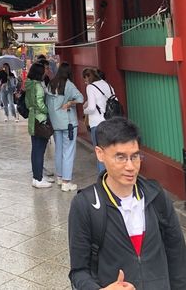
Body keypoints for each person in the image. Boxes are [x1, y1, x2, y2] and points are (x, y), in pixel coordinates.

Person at [69, 117, 186, 290]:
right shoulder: (85, 205)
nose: (131, 166)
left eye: (135, 156)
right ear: (100, 153)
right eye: (120, 157)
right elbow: (78, 272)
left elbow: (177, 255)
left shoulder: (155, 196)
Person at [46, 62, 83, 191]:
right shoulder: (69, 85)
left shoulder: (50, 84)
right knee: (68, 151)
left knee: (59, 150)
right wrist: (70, 103)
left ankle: (60, 177)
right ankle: (67, 182)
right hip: (68, 123)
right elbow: (81, 98)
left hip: (56, 123)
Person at [25, 62, 53, 188]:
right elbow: (40, 103)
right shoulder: (38, 86)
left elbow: (27, 103)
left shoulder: (29, 85)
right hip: (40, 119)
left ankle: (37, 175)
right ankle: (38, 178)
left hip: (32, 119)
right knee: (39, 150)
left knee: (35, 149)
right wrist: (48, 111)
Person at [83, 67, 114, 173]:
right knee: (110, 152)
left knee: (100, 154)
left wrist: (85, 111)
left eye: (85, 79)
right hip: (110, 123)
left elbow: (91, 108)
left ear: (88, 77)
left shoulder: (90, 87)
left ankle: (102, 181)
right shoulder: (107, 85)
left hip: (97, 123)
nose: (85, 82)